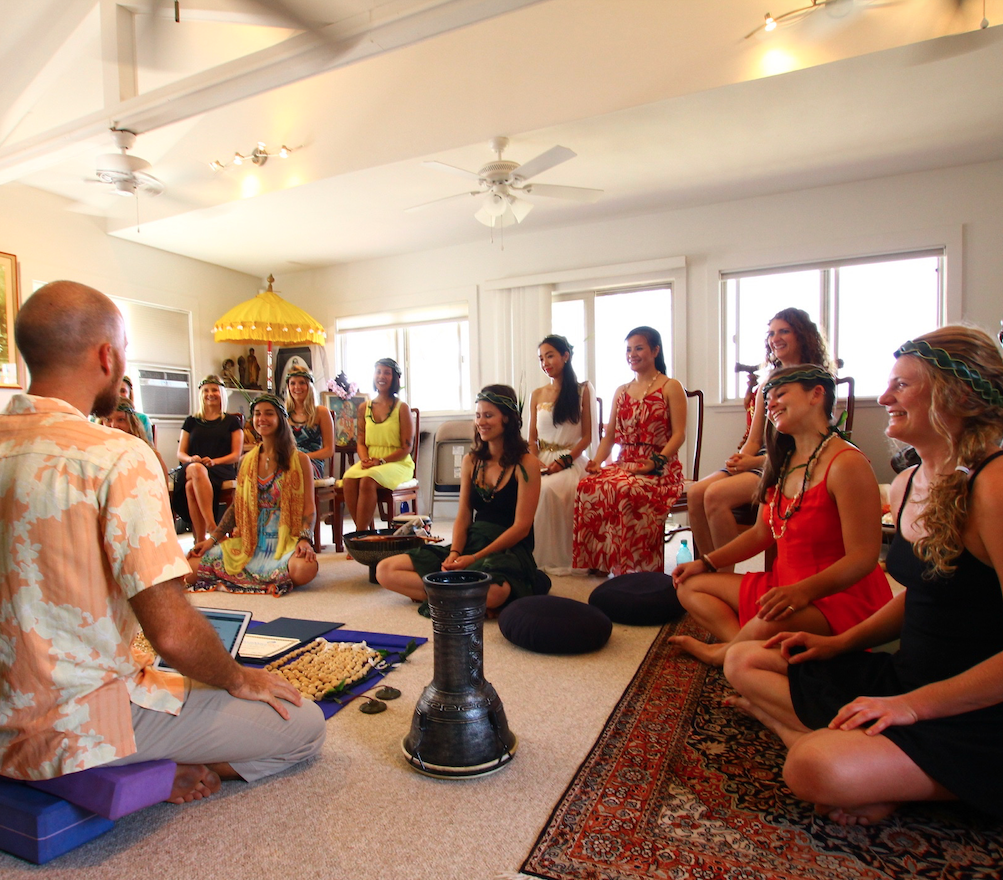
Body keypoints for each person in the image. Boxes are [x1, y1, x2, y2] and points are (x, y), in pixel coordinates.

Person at [0, 281, 324, 804]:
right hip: (77, 717)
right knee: (302, 726)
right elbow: (172, 634)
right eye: (124, 349)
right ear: (107, 356)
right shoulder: (117, 456)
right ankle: (117, 773)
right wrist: (238, 677)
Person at [724, 326, 1003, 826]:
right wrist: (840, 645)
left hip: (974, 705)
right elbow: (922, 597)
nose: (886, 396)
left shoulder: (994, 485)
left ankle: (866, 769)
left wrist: (913, 708)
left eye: (903, 384)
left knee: (810, 766)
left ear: (957, 396)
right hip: (908, 676)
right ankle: (874, 767)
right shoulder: (906, 484)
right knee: (745, 659)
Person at [670, 366, 891, 667]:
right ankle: (740, 647)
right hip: (783, 585)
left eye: (781, 393)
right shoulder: (783, 461)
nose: (770, 403)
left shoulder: (847, 463)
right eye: (768, 396)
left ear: (816, 394)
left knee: (765, 620)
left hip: (835, 597)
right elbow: (761, 534)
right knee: (689, 586)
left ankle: (728, 652)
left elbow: (864, 556)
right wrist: (706, 563)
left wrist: (801, 592)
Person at [687, 308, 834, 565]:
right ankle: (710, 567)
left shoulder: (815, 381)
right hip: (762, 458)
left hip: (791, 463)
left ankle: (724, 574)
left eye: (783, 331)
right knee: (696, 492)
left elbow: (814, 444)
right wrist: (739, 460)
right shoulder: (766, 384)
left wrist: (753, 463)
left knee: (715, 495)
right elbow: (755, 440)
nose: (775, 338)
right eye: (771, 333)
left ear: (802, 335)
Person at [377, 384, 542, 612]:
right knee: (385, 570)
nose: (481, 421)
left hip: (508, 549)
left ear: (507, 418)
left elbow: (522, 528)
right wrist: (455, 552)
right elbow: (464, 515)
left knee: (495, 592)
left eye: (488, 415)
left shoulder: (527, 463)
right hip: (472, 542)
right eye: (477, 415)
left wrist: (474, 558)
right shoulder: (471, 461)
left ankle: (442, 592)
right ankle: (462, 596)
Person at [572, 326, 686, 575]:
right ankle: (601, 561)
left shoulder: (670, 386)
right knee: (587, 485)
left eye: (639, 348)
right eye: (628, 349)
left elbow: (679, 435)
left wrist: (656, 462)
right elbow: (609, 435)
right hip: (625, 464)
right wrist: (596, 461)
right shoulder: (621, 391)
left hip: (660, 468)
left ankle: (637, 569)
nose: (632, 354)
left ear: (655, 350)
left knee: (625, 490)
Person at [186, 394, 318, 595]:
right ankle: (263, 576)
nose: (261, 418)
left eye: (268, 414)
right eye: (257, 414)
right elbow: (236, 507)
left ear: (280, 419)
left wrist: (305, 540)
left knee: (304, 570)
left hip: (284, 541)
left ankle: (267, 572)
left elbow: (309, 508)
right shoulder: (247, 460)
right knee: (190, 568)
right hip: (249, 542)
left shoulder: (300, 460)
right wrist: (212, 539)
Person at [528, 335, 596, 574]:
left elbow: (587, 436)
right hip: (541, 460)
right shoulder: (536, 394)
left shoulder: (582, 390)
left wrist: (564, 461)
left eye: (550, 356)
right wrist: (534, 462)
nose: (545, 363)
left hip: (571, 459)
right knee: (525, 488)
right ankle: (529, 554)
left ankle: (560, 559)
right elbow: (531, 439)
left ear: (565, 356)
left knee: (549, 490)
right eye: (541, 358)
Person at [341, 358, 415, 533]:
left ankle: (359, 536)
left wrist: (380, 462)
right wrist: (365, 459)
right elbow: (360, 441)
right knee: (349, 479)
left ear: (395, 378)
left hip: (397, 462)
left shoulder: (402, 408)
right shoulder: (363, 408)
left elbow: (406, 448)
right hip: (371, 460)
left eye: (387, 373)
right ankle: (363, 532)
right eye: (378, 372)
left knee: (368, 480)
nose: (382, 376)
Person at [173, 375, 243, 542]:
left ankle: (200, 540)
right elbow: (180, 453)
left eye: (214, 390)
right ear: (201, 394)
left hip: (220, 468)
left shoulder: (232, 421)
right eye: (206, 390)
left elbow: (236, 454)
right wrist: (191, 459)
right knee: (196, 470)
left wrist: (214, 461)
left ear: (222, 394)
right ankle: (213, 529)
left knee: (191, 486)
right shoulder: (191, 421)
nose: (210, 394)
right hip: (193, 467)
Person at [103, 396, 169, 482]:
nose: (114, 425)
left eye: (121, 419)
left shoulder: (149, 454)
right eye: (108, 420)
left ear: (132, 423)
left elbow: (163, 489)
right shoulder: (96, 453)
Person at [284, 366, 335, 479]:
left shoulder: (321, 412)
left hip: (312, 463)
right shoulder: (283, 413)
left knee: (296, 471)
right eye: (293, 383)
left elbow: (329, 450)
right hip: (287, 462)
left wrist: (303, 457)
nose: (297, 387)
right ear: (288, 387)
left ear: (309, 386)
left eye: (302, 383)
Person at [119, 374, 154, 443]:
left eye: (123, 391)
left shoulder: (142, 418)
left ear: (129, 394)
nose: (118, 394)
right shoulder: (97, 419)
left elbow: (149, 448)